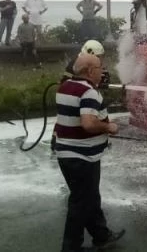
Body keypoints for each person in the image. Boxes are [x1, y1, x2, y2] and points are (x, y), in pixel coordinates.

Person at [53, 53, 125, 251]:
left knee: (89, 197)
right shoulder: (88, 92)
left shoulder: (64, 86)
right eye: (100, 68)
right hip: (83, 157)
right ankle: (70, 248)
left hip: (66, 154)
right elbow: (88, 123)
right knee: (80, 202)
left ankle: (101, 235)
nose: (103, 72)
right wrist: (109, 127)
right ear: (89, 71)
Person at [52, 40, 110, 153]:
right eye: (99, 57)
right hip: (76, 99)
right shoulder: (78, 64)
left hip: (74, 98)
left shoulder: (82, 61)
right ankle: (57, 139)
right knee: (75, 118)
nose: (101, 60)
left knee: (69, 118)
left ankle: (58, 139)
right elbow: (75, 81)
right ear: (92, 54)